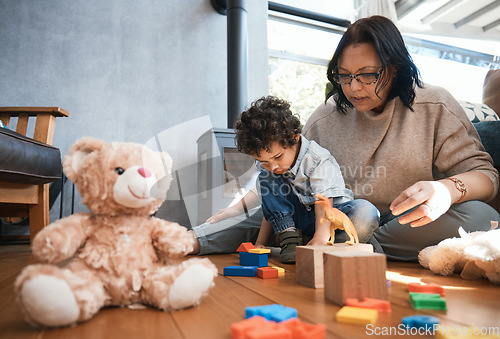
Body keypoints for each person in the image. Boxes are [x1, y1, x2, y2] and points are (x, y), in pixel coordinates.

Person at [190, 15, 499, 261]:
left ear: (393, 68)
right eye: (344, 75)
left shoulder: (435, 104)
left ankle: (355, 249)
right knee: (264, 212)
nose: (353, 88)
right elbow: (277, 177)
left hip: (403, 224)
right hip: (329, 219)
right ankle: (187, 240)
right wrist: (237, 207)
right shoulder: (325, 117)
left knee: (482, 216)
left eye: (366, 74)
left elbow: (486, 178)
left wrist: (446, 189)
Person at [230, 96, 379, 263]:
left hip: (330, 218)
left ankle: (319, 243)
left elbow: (324, 203)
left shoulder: (318, 160)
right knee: (266, 177)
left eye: (278, 157)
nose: (272, 166)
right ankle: (290, 238)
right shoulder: (271, 171)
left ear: (294, 137)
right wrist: (259, 244)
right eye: (264, 162)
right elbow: (270, 208)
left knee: (366, 212)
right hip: (298, 220)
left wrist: (321, 236)